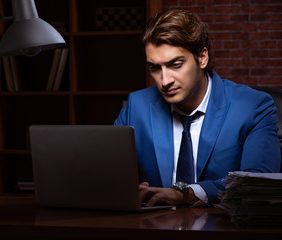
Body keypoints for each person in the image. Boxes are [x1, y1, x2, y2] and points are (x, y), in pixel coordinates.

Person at [114, 8, 281, 207]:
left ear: (202, 58)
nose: (164, 81)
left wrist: (188, 193)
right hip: (152, 225)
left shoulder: (252, 107)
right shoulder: (137, 106)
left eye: (175, 64)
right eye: (155, 68)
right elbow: (108, 171)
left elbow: (258, 182)